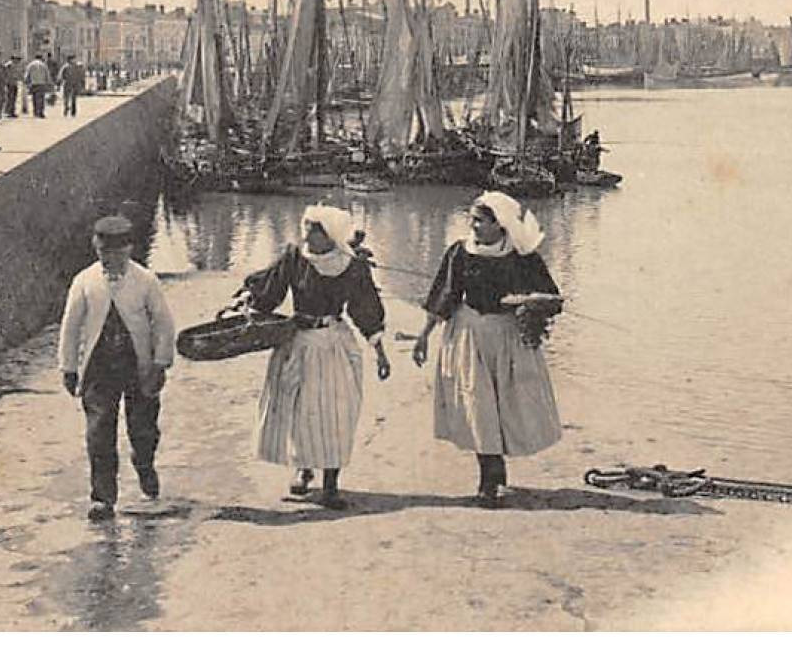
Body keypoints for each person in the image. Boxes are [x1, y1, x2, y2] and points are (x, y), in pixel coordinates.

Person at [412, 191, 563, 507]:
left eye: (479, 221)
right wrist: (424, 336)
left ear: (500, 224)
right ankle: (488, 477)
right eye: (472, 220)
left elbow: (551, 297)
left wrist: (529, 305)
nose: (474, 226)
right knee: (477, 404)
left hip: (509, 337)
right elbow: (445, 295)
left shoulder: (522, 256)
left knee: (506, 404)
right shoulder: (460, 252)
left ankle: (498, 467)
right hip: (469, 333)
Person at [241, 205, 391, 508]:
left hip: (333, 344)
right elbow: (270, 289)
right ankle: (303, 469)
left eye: (315, 229)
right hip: (298, 341)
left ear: (332, 235)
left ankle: (331, 484)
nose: (307, 233)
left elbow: (365, 308)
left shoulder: (352, 266)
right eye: (306, 226)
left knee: (334, 413)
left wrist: (379, 351)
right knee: (299, 410)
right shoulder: (295, 257)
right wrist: (247, 303)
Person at [58, 215, 176, 521]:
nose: (110, 260)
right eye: (103, 254)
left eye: (117, 254)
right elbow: (70, 328)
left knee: (143, 428)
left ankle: (145, 464)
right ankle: (102, 497)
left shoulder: (145, 280)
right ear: (95, 249)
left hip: (138, 364)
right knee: (98, 431)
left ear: (129, 250)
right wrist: (68, 367)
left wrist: (160, 363)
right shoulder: (84, 281)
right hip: (99, 367)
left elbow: (163, 324)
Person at [24, 53, 53, 118]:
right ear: (41, 58)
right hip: (42, 84)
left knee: (34, 98)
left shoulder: (30, 65)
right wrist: (49, 83)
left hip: (34, 84)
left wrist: (26, 82)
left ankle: (35, 112)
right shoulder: (44, 65)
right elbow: (47, 75)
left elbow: (27, 75)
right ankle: (41, 112)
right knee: (41, 98)